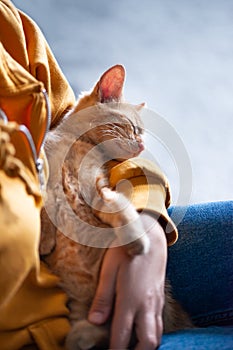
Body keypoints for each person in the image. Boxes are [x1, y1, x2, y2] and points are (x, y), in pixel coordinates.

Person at [0, 1, 178, 349]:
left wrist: (148, 218)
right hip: (53, 314)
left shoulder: (12, 27)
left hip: (120, 249)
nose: (140, 145)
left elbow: (74, 128)